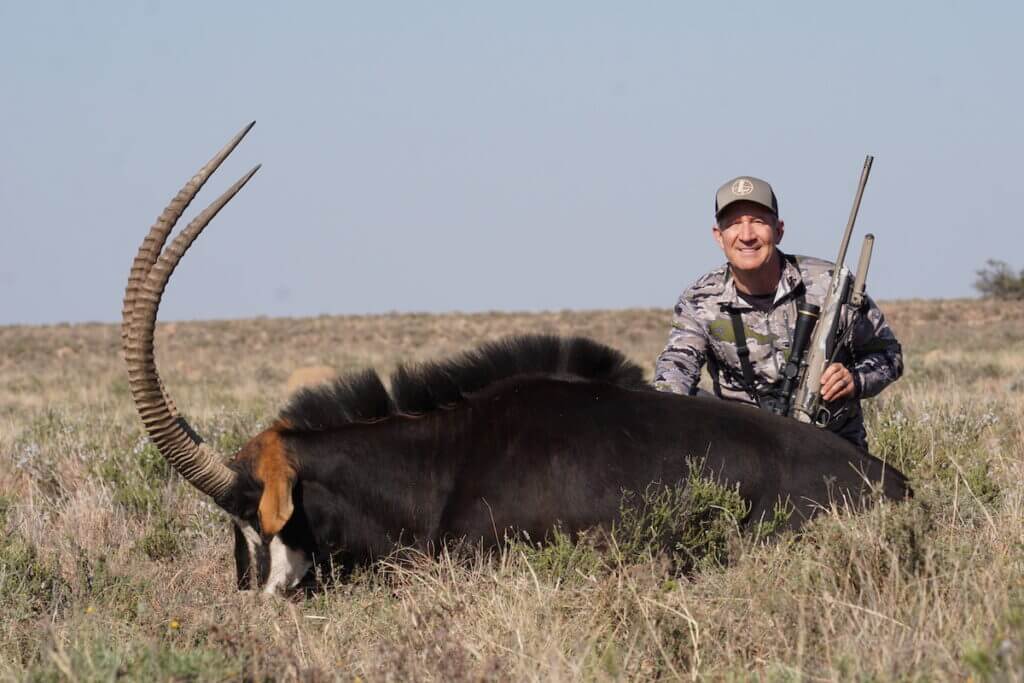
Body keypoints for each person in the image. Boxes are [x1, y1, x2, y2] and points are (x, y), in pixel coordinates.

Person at [653, 175, 902, 448]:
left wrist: (855, 380)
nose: (747, 236)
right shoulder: (700, 300)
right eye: (734, 224)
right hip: (745, 452)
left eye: (758, 221)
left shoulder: (831, 286)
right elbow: (675, 371)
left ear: (779, 230)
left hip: (830, 448)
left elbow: (889, 355)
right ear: (719, 236)